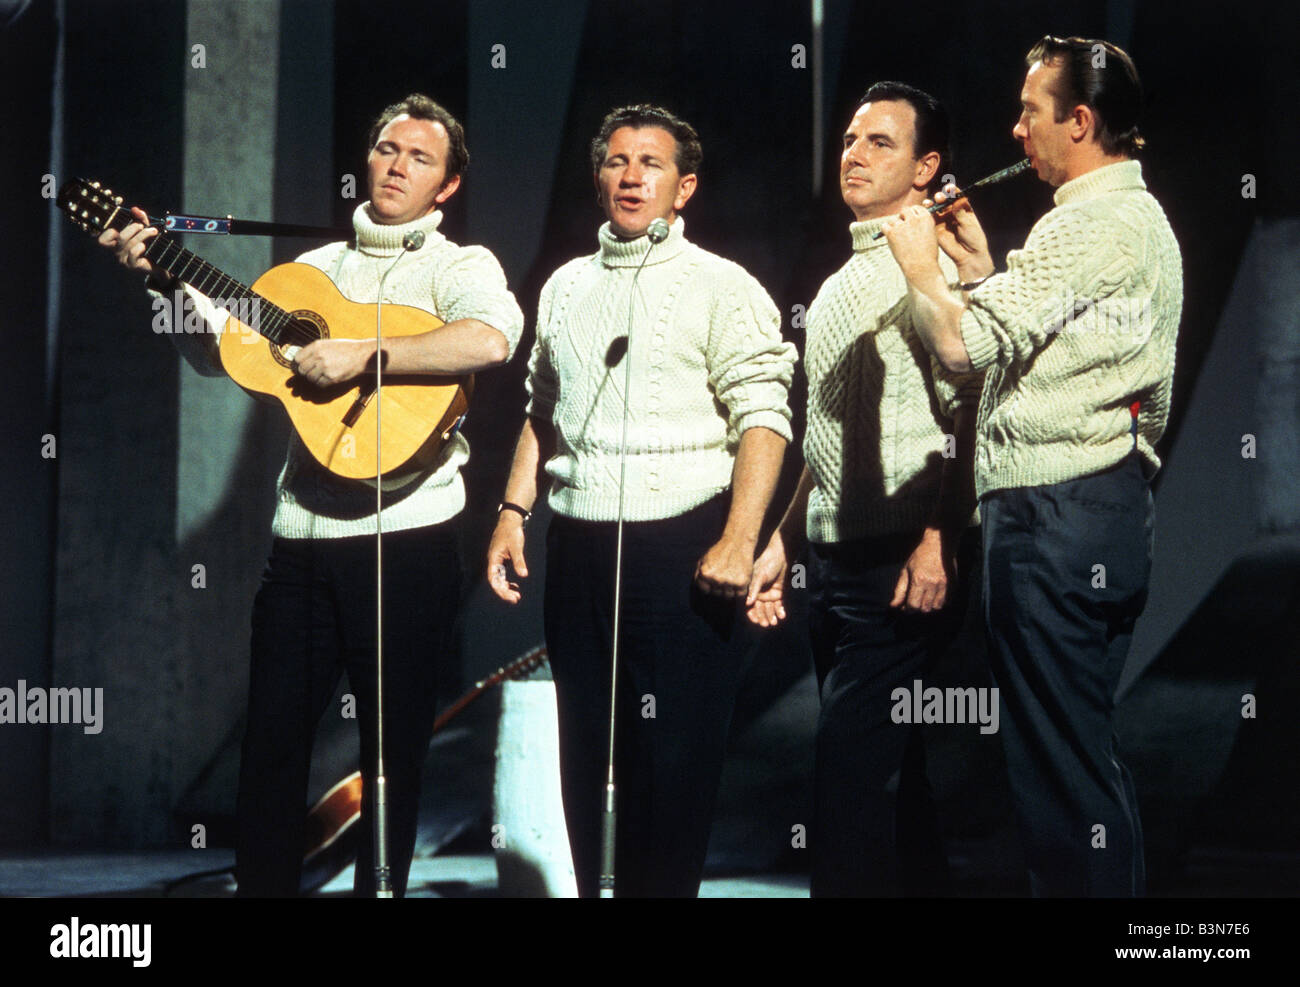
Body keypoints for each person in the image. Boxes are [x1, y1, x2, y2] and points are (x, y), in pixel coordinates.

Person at [99, 93, 525, 897]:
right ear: (366, 160)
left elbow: (490, 339)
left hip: (409, 538)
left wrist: (365, 354)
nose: (398, 166)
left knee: (393, 757)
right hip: (302, 541)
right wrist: (164, 278)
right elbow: (218, 353)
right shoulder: (311, 272)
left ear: (449, 185)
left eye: (420, 158)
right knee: (270, 748)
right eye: (387, 149)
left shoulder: (460, 267)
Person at [882, 37, 1183, 896]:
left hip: (1054, 516)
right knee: (1080, 754)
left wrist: (918, 264)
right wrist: (978, 267)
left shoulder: (1087, 222)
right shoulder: (1136, 219)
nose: (1016, 131)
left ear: (1080, 121)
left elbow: (960, 345)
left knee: (1057, 774)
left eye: (1029, 111)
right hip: (1102, 505)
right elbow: (1057, 346)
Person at [485, 104, 796, 897]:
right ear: (598, 178)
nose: (631, 176)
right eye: (616, 161)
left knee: (674, 765)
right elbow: (542, 411)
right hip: (582, 545)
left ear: (683, 186)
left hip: (685, 546)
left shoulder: (724, 286)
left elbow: (766, 417)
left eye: (650, 163)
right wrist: (513, 513)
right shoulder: (564, 286)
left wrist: (740, 538)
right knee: (588, 757)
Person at [745, 82, 983, 895]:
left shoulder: (936, 268)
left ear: (928, 169)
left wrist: (939, 539)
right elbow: (827, 427)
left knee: (847, 782)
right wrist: (779, 534)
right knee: (890, 775)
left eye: (880, 142)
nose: (853, 153)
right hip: (837, 563)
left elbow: (970, 410)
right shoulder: (849, 273)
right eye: (850, 138)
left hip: (901, 561)